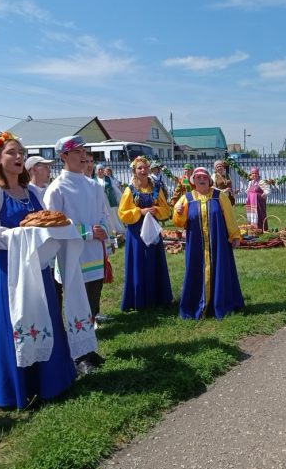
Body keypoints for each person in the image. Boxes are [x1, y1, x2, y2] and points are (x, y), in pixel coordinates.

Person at [0, 134, 78, 409]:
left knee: (46, 313)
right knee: (16, 320)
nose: (18, 157)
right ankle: (18, 386)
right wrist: (17, 236)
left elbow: (45, 222)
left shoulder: (32, 192)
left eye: (21, 152)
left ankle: (50, 381)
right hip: (11, 269)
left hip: (38, 265)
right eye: (11, 152)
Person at [44, 135, 110, 371]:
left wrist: (102, 229)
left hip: (93, 253)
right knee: (74, 304)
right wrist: (87, 232)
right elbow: (52, 222)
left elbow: (102, 214)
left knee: (92, 301)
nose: (84, 156)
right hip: (72, 256)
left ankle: (88, 349)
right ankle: (77, 355)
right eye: (78, 152)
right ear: (64, 157)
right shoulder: (57, 188)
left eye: (85, 151)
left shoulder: (93, 185)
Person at [172, 167, 244, 319]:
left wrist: (235, 235)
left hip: (218, 243)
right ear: (194, 181)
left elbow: (230, 217)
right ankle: (196, 305)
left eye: (204, 177)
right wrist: (178, 213)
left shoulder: (220, 196)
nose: (201, 179)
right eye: (198, 177)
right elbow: (179, 222)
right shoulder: (186, 198)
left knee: (221, 270)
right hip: (196, 245)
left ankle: (220, 304)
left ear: (209, 180)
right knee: (195, 271)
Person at [118, 156, 173, 310]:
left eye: (145, 167)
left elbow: (166, 209)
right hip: (136, 231)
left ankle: (158, 297)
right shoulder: (130, 190)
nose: (143, 170)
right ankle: (138, 299)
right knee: (139, 262)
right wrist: (139, 211)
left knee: (154, 261)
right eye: (139, 168)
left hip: (153, 230)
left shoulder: (156, 188)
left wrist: (157, 210)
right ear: (134, 171)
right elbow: (122, 213)